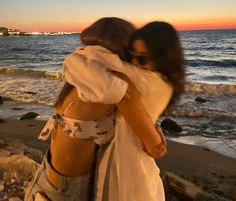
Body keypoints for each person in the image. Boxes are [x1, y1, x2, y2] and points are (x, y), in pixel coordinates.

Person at [24, 18, 167, 201]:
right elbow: (155, 147)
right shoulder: (113, 84)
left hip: (48, 175)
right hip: (66, 191)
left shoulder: (85, 77)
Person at [88, 21, 185, 201]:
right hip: (137, 167)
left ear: (164, 58)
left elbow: (83, 62)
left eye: (142, 58)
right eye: (130, 56)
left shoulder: (144, 81)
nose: (134, 63)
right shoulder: (167, 83)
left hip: (128, 171)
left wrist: (88, 50)